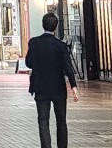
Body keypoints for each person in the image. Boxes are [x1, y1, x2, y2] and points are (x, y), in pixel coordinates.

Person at [24, 12, 80, 148]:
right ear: (56, 27)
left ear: (43, 25)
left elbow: (29, 63)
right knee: (61, 121)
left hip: (40, 87)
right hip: (58, 88)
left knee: (43, 121)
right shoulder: (61, 46)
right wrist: (74, 86)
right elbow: (68, 67)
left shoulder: (34, 43)